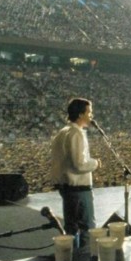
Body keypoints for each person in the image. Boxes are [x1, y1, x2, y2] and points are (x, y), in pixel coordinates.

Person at [50, 98, 101, 248]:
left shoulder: (63, 132)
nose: (91, 115)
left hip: (66, 186)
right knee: (87, 228)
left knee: (71, 228)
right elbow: (79, 164)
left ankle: (73, 260)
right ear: (80, 114)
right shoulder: (76, 134)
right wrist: (96, 163)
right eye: (89, 112)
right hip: (78, 188)